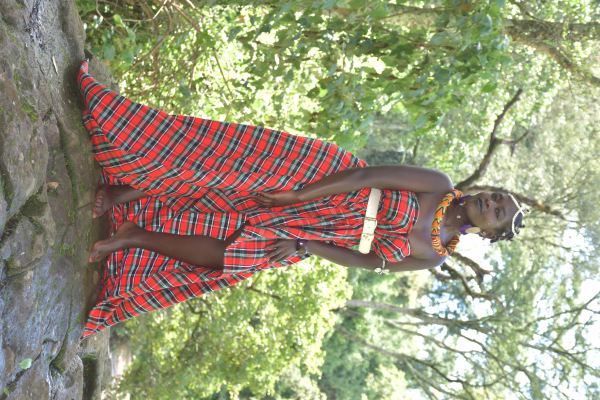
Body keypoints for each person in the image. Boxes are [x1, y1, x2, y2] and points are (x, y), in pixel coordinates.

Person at [78, 60, 527, 338]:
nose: (491, 203)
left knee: (233, 257)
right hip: (324, 179)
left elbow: (368, 261)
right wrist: (298, 193)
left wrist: (305, 246)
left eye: (497, 212)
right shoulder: (438, 185)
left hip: (317, 232)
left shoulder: (432, 257)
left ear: (489, 234)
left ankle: (135, 235)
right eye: (496, 197)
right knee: (224, 172)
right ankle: (128, 188)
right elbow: (368, 174)